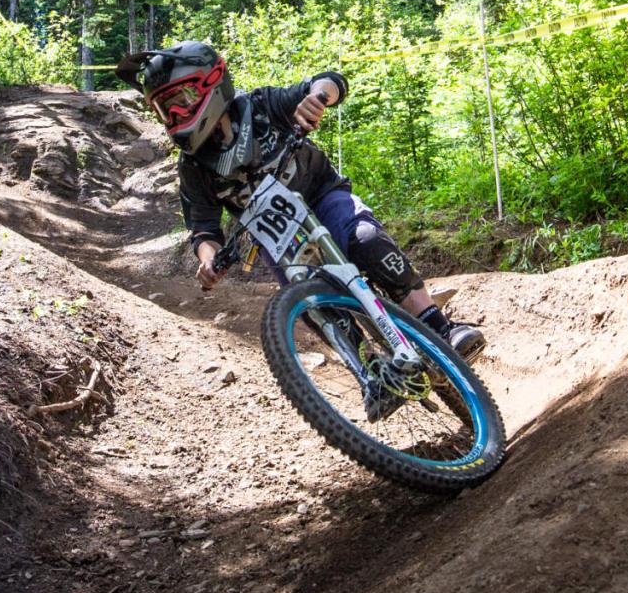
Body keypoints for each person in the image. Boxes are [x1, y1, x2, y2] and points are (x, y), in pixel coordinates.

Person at [115, 40, 486, 362]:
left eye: (182, 101)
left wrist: (318, 97)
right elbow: (203, 229)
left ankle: (441, 328)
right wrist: (209, 259)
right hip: (281, 238)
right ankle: (370, 371)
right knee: (308, 302)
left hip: (324, 196)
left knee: (367, 240)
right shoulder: (194, 167)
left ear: (211, 84)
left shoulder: (259, 106)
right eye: (165, 110)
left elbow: (328, 81)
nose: (176, 115)